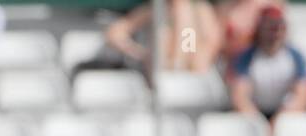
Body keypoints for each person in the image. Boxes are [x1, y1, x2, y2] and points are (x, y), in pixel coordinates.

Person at [90, 0, 223, 75]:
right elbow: (114, 33)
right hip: (156, 80)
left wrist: (180, 66)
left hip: (187, 82)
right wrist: (140, 53)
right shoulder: (155, 9)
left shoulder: (200, 11)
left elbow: (198, 54)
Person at [227, 7, 306, 122]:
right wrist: (258, 122)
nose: (275, 33)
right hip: (254, 115)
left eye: (279, 27)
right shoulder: (245, 58)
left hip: (285, 116)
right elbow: (240, 97)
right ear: (259, 29)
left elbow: (302, 97)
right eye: (270, 28)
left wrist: (279, 120)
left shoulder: (296, 57)